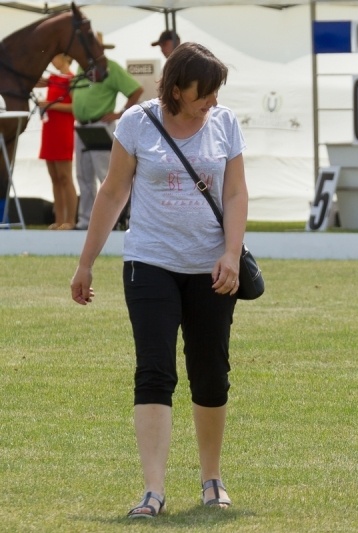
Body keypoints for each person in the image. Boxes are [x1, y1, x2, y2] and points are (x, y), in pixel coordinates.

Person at [70, 42, 248, 518]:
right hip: (149, 263)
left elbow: (235, 193)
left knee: (210, 371)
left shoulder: (225, 123)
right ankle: (153, 491)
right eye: (203, 92)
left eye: (216, 91)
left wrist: (232, 254)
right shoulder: (136, 122)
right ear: (175, 88)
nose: (211, 100)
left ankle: (212, 479)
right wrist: (86, 263)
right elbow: (112, 193)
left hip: (212, 268)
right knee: (154, 370)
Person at [71, 33, 143, 230]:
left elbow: (136, 90)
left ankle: (114, 219)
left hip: (100, 126)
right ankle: (85, 220)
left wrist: (119, 113)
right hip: (81, 126)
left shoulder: (111, 68)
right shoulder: (81, 69)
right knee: (83, 175)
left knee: (106, 175)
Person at [37, 54, 77, 230]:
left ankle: (70, 220)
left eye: (55, 57)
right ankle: (59, 219)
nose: (52, 61)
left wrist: (50, 105)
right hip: (49, 130)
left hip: (63, 130)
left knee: (65, 177)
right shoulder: (53, 79)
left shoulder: (72, 79)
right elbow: (34, 80)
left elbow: (75, 107)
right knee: (54, 177)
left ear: (65, 58)